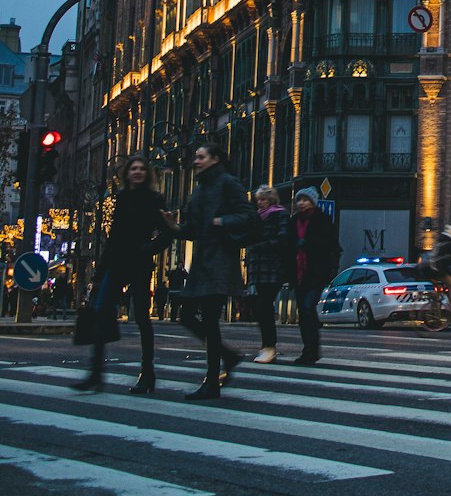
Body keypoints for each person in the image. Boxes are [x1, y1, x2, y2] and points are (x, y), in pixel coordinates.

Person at [74, 153, 173, 395]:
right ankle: (95, 374)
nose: (137, 172)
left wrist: (149, 248)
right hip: (116, 263)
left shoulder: (154, 199)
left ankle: (147, 373)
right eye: (133, 169)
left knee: (142, 318)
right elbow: (113, 237)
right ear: (126, 174)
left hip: (139, 262)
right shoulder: (119, 199)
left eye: (141, 168)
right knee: (100, 314)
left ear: (146, 173)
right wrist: (99, 272)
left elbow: (168, 232)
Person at [176, 138, 253, 400]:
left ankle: (211, 381)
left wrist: (222, 221)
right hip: (201, 260)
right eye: (196, 157)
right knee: (186, 315)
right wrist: (172, 226)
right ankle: (227, 356)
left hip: (220, 259)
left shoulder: (228, 183)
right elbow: (192, 227)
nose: (196, 161)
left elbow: (248, 216)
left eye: (201, 156)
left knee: (209, 319)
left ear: (215, 159)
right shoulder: (199, 189)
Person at [291, 187, 340, 364]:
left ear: (313, 202)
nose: (301, 203)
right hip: (298, 273)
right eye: (299, 200)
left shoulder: (322, 220)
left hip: (316, 272)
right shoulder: (294, 221)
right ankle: (308, 350)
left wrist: (307, 243)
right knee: (303, 313)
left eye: (305, 200)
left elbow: (329, 245)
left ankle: (312, 349)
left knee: (307, 307)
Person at [248, 185, 290, 364]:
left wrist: (261, 245)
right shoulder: (257, 217)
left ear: (271, 199)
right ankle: (266, 346)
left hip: (273, 268)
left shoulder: (279, 214)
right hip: (259, 268)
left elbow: (283, 239)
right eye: (258, 200)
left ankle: (269, 347)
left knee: (264, 306)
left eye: (263, 199)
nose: (260, 203)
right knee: (261, 307)